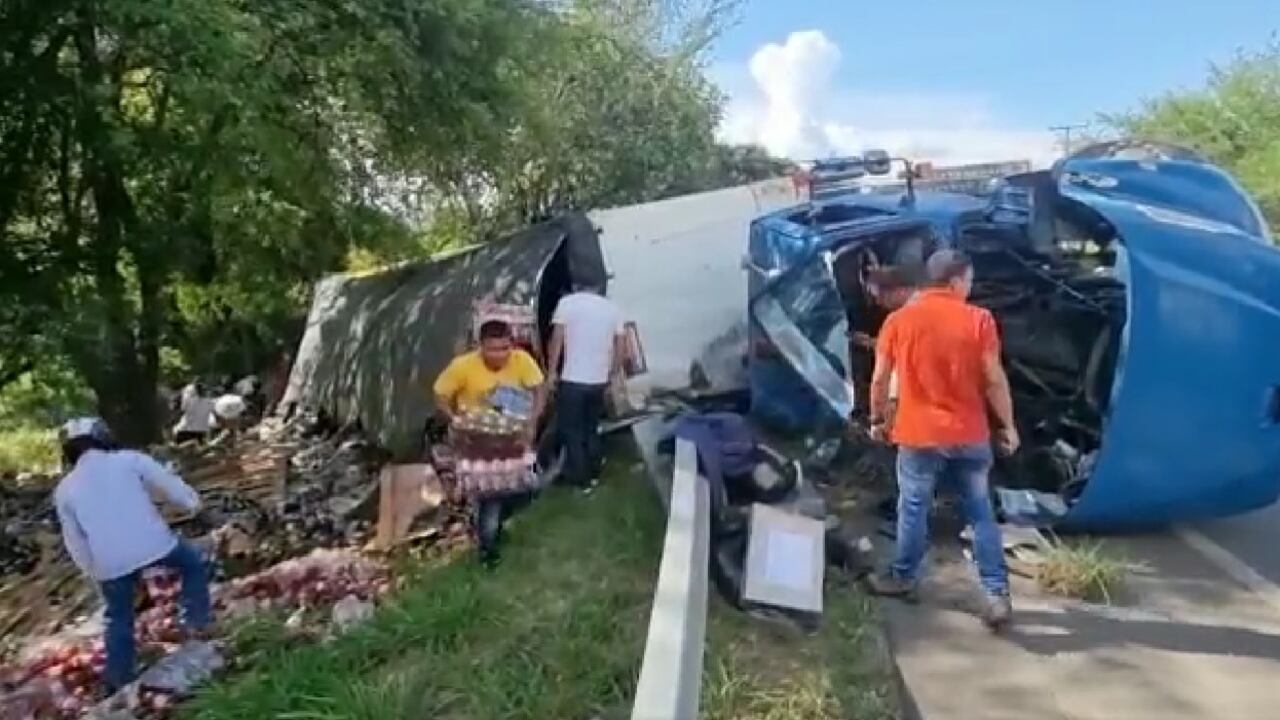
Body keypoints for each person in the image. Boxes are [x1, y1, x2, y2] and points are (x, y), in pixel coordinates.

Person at [864, 249, 1019, 629]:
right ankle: (996, 594)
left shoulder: (898, 321)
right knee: (980, 512)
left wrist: (878, 420)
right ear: (954, 282)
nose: (970, 288)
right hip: (970, 434)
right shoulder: (980, 320)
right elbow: (994, 379)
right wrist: (1008, 426)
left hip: (918, 436)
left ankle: (903, 577)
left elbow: (880, 378)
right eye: (969, 281)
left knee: (913, 507)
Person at [53, 418, 210, 692]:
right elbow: (170, 485)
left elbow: (74, 540)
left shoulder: (64, 489)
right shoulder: (130, 460)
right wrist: (193, 504)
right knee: (194, 564)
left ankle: (118, 678)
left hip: (110, 563)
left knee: (118, 617)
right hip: (155, 544)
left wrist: (93, 571)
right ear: (103, 437)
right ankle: (195, 623)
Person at [433, 320, 547, 565]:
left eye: (505, 348)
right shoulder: (462, 366)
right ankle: (488, 551)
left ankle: (492, 524)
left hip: (511, 438)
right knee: (490, 496)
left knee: (528, 489)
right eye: (493, 349)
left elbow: (539, 389)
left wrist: (532, 422)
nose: (500, 355)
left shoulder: (521, 360)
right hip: (477, 442)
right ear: (480, 346)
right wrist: (455, 420)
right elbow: (440, 394)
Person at [545, 283, 625, 492]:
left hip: (572, 378)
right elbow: (621, 345)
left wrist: (551, 372)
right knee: (591, 427)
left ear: (575, 285)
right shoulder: (612, 308)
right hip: (598, 380)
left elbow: (557, 340)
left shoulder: (566, 304)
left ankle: (580, 479)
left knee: (571, 430)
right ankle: (594, 471)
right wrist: (613, 374)